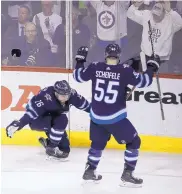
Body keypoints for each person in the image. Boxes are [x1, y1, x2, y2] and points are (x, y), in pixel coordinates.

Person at [73, 44, 161, 187]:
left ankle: (90, 170)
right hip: (115, 118)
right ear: (119, 56)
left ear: (105, 54)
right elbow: (145, 82)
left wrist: (80, 59)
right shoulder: (124, 70)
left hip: (96, 117)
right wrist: (152, 66)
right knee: (134, 141)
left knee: (97, 144)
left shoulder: (95, 67)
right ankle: (128, 174)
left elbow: (78, 77)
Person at [6, 80, 90, 160]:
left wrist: (98, 114)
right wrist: (19, 124)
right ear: (56, 94)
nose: (65, 98)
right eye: (62, 96)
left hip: (53, 117)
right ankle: (51, 144)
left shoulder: (72, 95)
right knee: (62, 119)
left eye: (67, 96)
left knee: (65, 151)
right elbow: (31, 114)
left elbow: (86, 106)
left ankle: (50, 144)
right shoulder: (45, 96)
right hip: (37, 120)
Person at [127, 0, 182, 73]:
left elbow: (180, 23)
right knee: (144, 81)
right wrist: (135, 5)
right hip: (144, 59)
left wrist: (170, 10)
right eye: (154, 15)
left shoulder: (170, 20)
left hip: (162, 61)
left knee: (162, 82)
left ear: (164, 13)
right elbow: (130, 14)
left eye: (158, 16)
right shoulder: (147, 15)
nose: (155, 18)